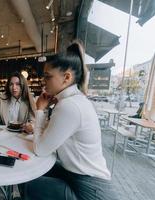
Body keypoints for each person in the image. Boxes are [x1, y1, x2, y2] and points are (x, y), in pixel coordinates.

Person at [22, 41, 118, 200]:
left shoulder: (70, 106)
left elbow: (41, 149)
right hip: (79, 177)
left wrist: (40, 110)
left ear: (66, 77)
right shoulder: (73, 101)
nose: (43, 81)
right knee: (38, 169)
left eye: (48, 77)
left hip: (89, 190)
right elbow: (51, 137)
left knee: (27, 182)